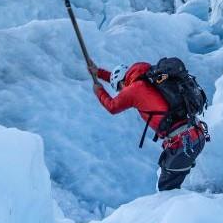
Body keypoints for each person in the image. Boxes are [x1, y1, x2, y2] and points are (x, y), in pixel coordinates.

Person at [87, 60, 207, 191]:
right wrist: (98, 73)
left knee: (167, 192)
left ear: (123, 83)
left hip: (183, 143)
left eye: (120, 89)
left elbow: (112, 106)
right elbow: (121, 81)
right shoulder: (147, 75)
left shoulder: (133, 89)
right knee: (171, 186)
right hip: (195, 134)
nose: (121, 93)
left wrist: (99, 91)